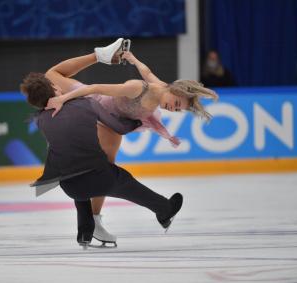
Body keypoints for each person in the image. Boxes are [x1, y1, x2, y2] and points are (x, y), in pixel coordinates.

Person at [22, 38, 217, 245]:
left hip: (114, 122)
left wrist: (133, 58)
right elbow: (95, 89)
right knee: (51, 76)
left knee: (99, 168)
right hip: (101, 107)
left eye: (178, 109)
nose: (173, 109)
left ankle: (93, 220)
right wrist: (62, 98)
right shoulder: (136, 88)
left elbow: (146, 70)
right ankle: (95, 220)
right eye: (176, 103)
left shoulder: (160, 86)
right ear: (175, 90)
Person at [22, 72, 183, 247]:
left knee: (75, 171)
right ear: (54, 88)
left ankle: (84, 231)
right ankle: (165, 209)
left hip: (68, 186)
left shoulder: (40, 120)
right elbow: (119, 127)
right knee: (125, 181)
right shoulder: (87, 104)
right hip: (100, 178)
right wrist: (138, 122)